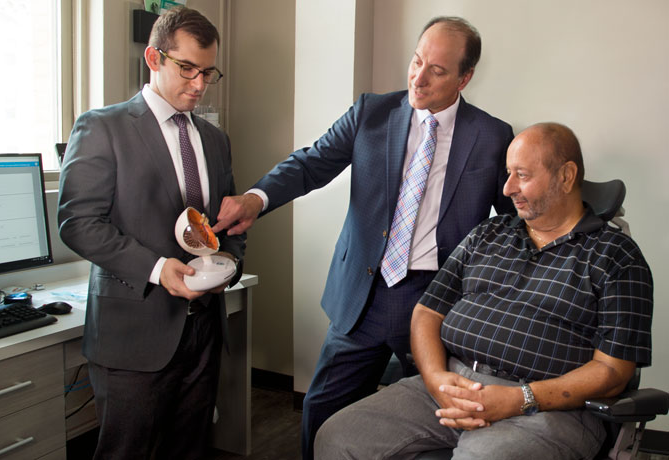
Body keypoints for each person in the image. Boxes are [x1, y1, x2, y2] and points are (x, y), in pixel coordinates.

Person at [212, 16, 515, 459]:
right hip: (365, 295)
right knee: (321, 410)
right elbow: (310, 163)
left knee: (437, 418)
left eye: (438, 70)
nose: (419, 77)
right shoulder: (372, 113)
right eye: (417, 61)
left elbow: (515, 218)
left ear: (464, 78)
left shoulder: (491, 136)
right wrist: (257, 199)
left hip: (437, 302)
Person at [314, 122, 654, 460]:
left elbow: (612, 373)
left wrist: (521, 398)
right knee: (337, 437)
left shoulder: (617, 257)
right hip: (449, 386)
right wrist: (436, 380)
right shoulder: (489, 233)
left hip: (546, 410)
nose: (506, 189)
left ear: (566, 176)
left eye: (521, 175)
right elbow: (427, 312)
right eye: (508, 174)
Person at [58, 7, 245, 459]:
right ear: (153, 58)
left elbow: (230, 220)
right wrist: (159, 269)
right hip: (133, 337)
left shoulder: (215, 139)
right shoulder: (102, 127)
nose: (199, 84)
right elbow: (77, 223)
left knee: (190, 450)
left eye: (208, 72)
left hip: (203, 334)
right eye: (187, 69)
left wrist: (231, 265)